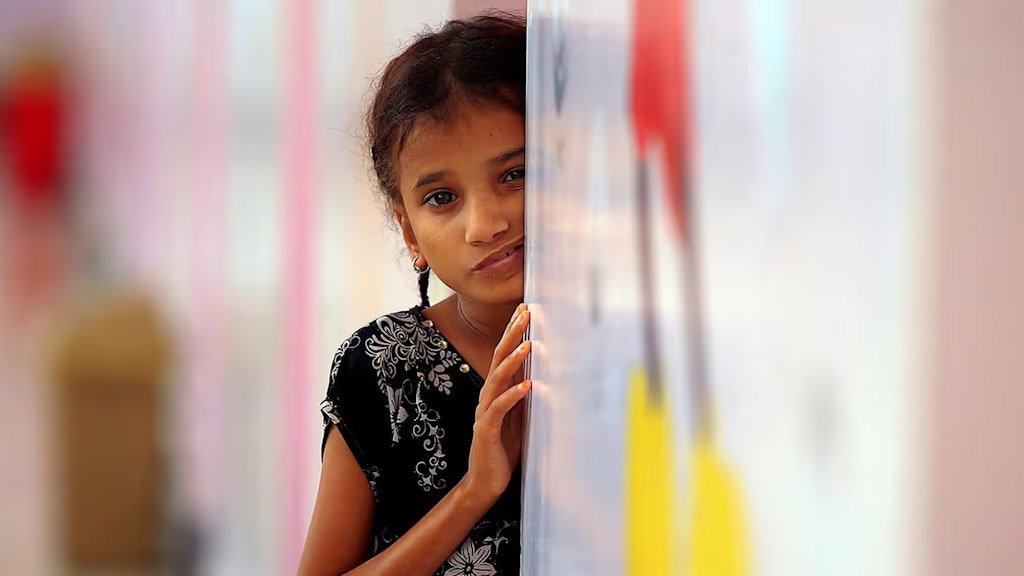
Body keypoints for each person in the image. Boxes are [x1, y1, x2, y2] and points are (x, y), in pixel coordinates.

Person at [298, 13, 530, 576]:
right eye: (443, 197)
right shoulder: (379, 370)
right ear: (409, 232)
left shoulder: (616, 346)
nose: (485, 224)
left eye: (514, 174)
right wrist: (474, 491)